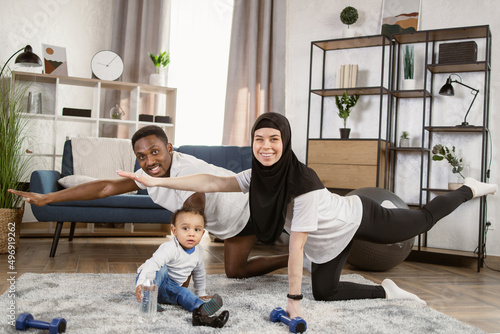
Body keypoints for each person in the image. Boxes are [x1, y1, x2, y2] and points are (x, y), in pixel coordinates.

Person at [117, 112, 498, 322]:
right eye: (259, 140)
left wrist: (293, 299)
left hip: (355, 218)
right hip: (327, 242)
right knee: (328, 292)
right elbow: (212, 181)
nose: (265, 148)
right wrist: (151, 176)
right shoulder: (257, 176)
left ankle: (468, 189)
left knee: (420, 220)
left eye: (274, 140)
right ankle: (386, 290)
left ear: (285, 143)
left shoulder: (304, 183)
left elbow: (296, 246)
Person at [8, 125, 288, 278]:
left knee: (240, 264)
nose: (149, 161)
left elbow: (195, 202)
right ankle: (293, 257)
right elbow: (105, 187)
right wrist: (49, 197)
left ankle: (296, 246)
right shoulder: (146, 174)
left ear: (169, 148)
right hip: (228, 224)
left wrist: (183, 264)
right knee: (235, 272)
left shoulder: (185, 169)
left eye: (155, 152)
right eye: (142, 156)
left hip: (251, 210)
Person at [136, 205, 229, 328]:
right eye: (185, 228)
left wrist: (201, 292)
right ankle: (148, 301)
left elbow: (199, 273)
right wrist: (142, 284)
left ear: (202, 233)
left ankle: (201, 308)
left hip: (171, 288)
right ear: (174, 231)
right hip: (154, 282)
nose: (191, 234)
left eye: (197, 230)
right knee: (161, 268)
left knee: (185, 293)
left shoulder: (199, 252)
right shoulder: (170, 248)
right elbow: (152, 264)